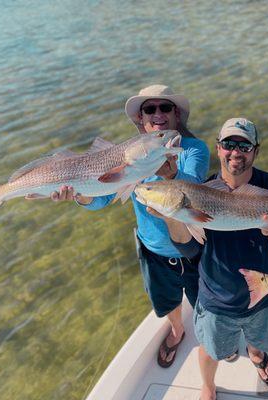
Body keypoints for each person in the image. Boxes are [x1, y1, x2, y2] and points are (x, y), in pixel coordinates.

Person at [48, 84, 210, 368]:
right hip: (153, 249)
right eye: (150, 109)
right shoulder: (128, 155)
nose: (157, 113)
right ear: (140, 118)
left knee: (205, 303)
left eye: (165, 107)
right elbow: (101, 200)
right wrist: (79, 193)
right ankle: (177, 330)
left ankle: (210, 338)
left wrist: (170, 175)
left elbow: (194, 189)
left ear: (177, 114)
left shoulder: (193, 148)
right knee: (166, 301)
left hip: (194, 248)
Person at [150, 118, 268, 400]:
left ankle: (255, 354)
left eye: (244, 145)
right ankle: (208, 385)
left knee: (262, 341)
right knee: (211, 348)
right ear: (218, 149)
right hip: (217, 297)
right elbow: (189, 250)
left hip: (266, 295)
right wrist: (173, 216)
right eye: (229, 144)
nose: (236, 152)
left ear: (255, 150)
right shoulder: (201, 189)